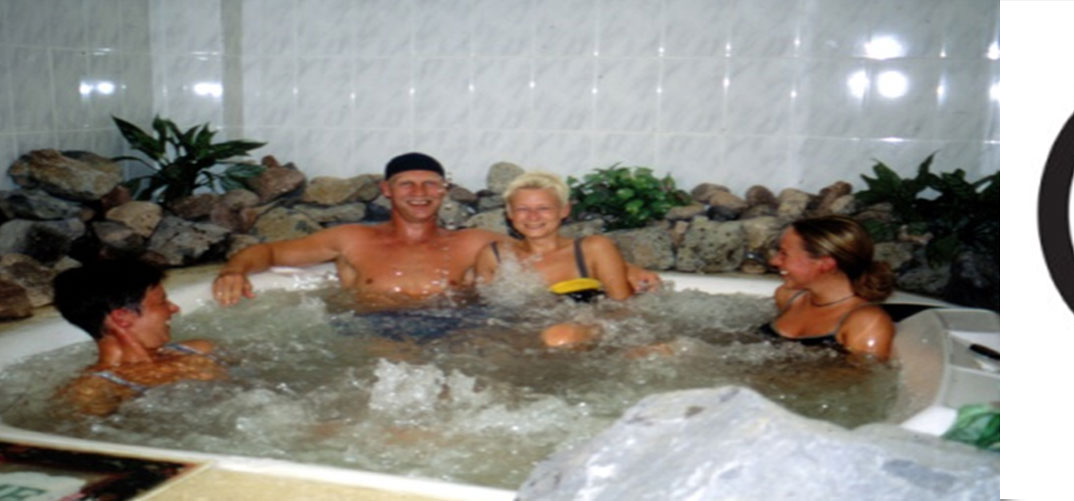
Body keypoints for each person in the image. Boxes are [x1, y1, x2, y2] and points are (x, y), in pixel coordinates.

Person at [212, 153, 658, 308]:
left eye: (431, 184)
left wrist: (625, 270)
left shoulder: (473, 242)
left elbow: (543, 249)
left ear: (444, 191)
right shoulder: (351, 239)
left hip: (452, 331)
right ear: (387, 190)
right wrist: (235, 270)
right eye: (408, 184)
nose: (420, 193)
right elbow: (270, 253)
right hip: (370, 331)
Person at [473, 171, 634, 346]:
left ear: (564, 210)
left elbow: (622, 308)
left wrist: (588, 331)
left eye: (544, 208)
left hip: (582, 336)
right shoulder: (495, 256)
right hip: (523, 339)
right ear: (510, 213)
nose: (533, 216)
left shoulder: (593, 249)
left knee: (559, 337)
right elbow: (486, 312)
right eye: (522, 209)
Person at [53, 260, 225, 416]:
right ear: (122, 318)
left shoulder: (199, 349)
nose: (174, 308)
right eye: (162, 302)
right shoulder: (92, 390)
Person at [764, 215, 897, 360]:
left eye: (784, 254)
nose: (774, 261)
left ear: (825, 264)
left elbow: (868, 374)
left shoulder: (867, 323)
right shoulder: (788, 297)